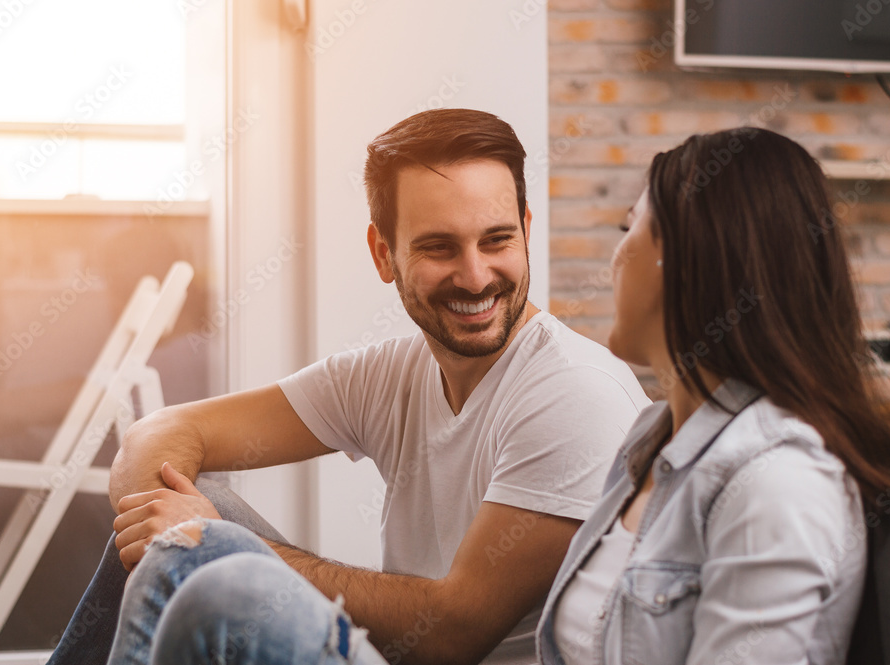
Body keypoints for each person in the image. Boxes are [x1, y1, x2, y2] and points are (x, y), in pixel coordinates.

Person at [46, 108, 651, 665]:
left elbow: (453, 631)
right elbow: (163, 433)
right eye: (439, 247)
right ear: (383, 254)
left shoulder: (575, 392)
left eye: (496, 239)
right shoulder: (391, 373)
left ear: (524, 229)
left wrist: (211, 541)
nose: (475, 275)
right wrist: (173, 521)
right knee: (187, 520)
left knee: (204, 549)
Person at [536, 127, 890, 665]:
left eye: (630, 226)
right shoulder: (650, 437)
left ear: (688, 257)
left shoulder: (777, 480)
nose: (616, 254)